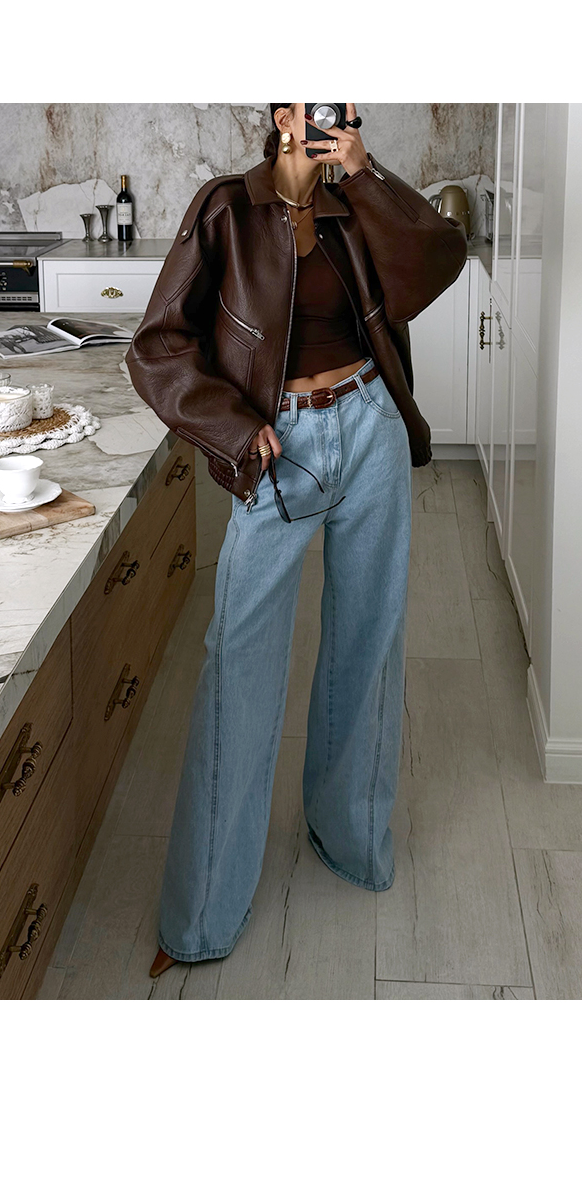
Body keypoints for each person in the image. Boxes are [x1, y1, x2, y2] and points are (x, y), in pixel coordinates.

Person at [125, 104, 468, 978]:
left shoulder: (358, 204)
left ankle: (348, 837)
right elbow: (157, 346)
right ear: (284, 116)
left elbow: (439, 261)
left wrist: (368, 173)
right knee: (238, 663)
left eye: (346, 109)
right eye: (321, 106)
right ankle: (202, 912)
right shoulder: (226, 209)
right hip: (279, 449)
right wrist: (238, 431)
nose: (337, 117)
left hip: (371, 429)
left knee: (368, 645)